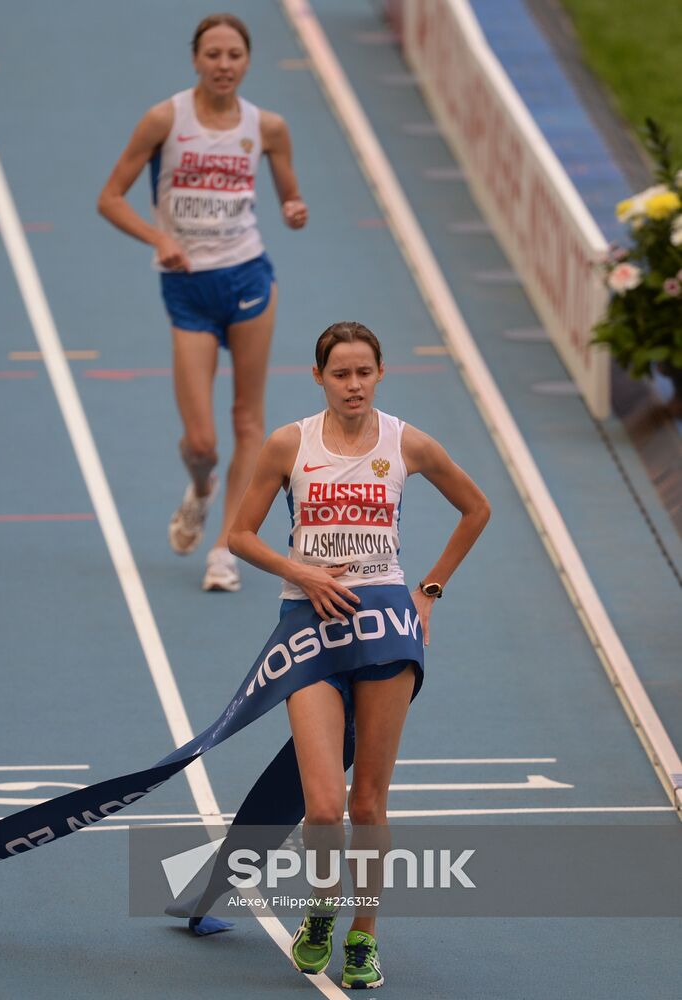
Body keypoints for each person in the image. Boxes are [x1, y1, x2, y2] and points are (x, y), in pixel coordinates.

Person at [229, 321, 490, 989]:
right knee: (322, 807)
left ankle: (364, 937)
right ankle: (321, 909)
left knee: (368, 804)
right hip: (309, 625)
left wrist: (428, 590)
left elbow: (476, 508)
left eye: (363, 372)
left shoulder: (408, 443)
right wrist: (307, 574)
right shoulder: (291, 443)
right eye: (339, 373)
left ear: (380, 374)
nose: (352, 384)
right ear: (318, 377)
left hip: (385, 629)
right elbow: (238, 535)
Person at [97, 13, 308, 591]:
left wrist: (293, 209)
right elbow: (110, 199)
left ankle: (225, 549)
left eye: (234, 55)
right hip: (187, 285)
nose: (223, 65)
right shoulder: (166, 119)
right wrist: (159, 237)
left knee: (247, 419)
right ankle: (200, 486)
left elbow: (291, 196)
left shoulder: (268, 127)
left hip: (248, 278)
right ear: (196, 59)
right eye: (213, 54)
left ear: (247, 61)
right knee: (202, 441)